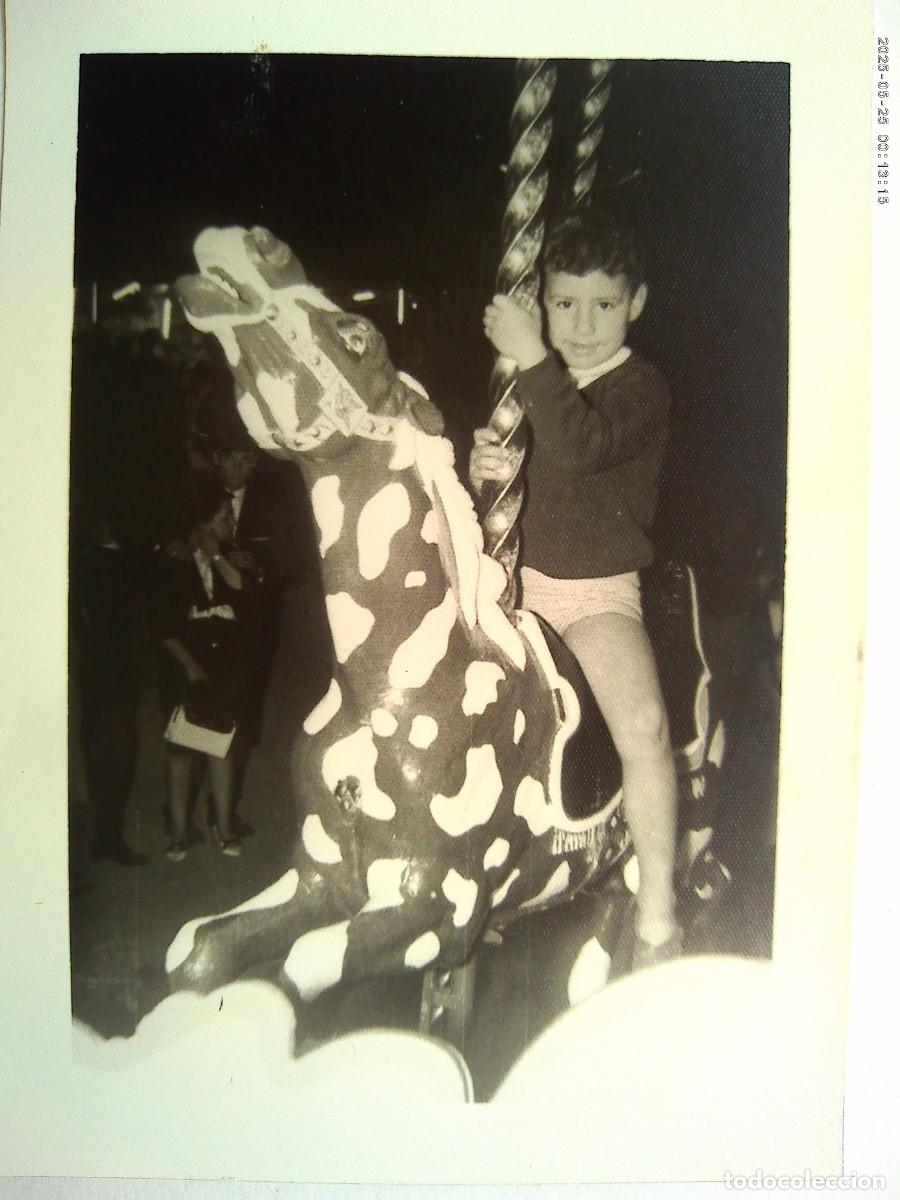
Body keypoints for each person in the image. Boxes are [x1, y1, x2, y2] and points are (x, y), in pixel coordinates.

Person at [471, 208, 681, 966]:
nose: (584, 323)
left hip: (596, 595)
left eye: (605, 304)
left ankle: (659, 900)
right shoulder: (528, 383)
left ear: (638, 304)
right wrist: (485, 471)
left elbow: (581, 445)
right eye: (564, 304)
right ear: (543, 302)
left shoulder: (640, 388)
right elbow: (510, 469)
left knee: (644, 726)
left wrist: (532, 357)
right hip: (516, 585)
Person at [151, 476, 252, 862]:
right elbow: (162, 627)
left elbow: (243, 593)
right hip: (184, 663)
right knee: (181, 749)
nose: (231, 521)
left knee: (221, 743)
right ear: (204, 523)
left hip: (224, 663)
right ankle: (178, 831)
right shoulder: (172, 561)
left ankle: (224, 826)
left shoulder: (228, 555)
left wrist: (216, 556)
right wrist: (191, 669)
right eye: (225, 516)